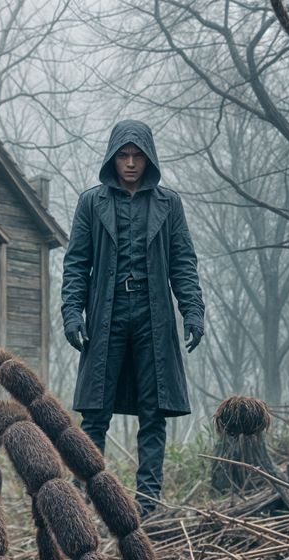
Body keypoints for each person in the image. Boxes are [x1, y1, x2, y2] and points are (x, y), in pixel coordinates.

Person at [60, 119, 207, 518]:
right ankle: (84, 496)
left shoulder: (168, 204)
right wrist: (72, 313)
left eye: (137, 156)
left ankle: (149, 503)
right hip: (105, 313)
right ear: (112, 157)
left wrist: (192, 311)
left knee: (153, 410)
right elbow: (76, 263)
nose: (129, 163)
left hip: (153, 314)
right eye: (123, 155)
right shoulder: (91, 203)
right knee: (95, 411)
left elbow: (183, 262)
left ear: (148, 158)